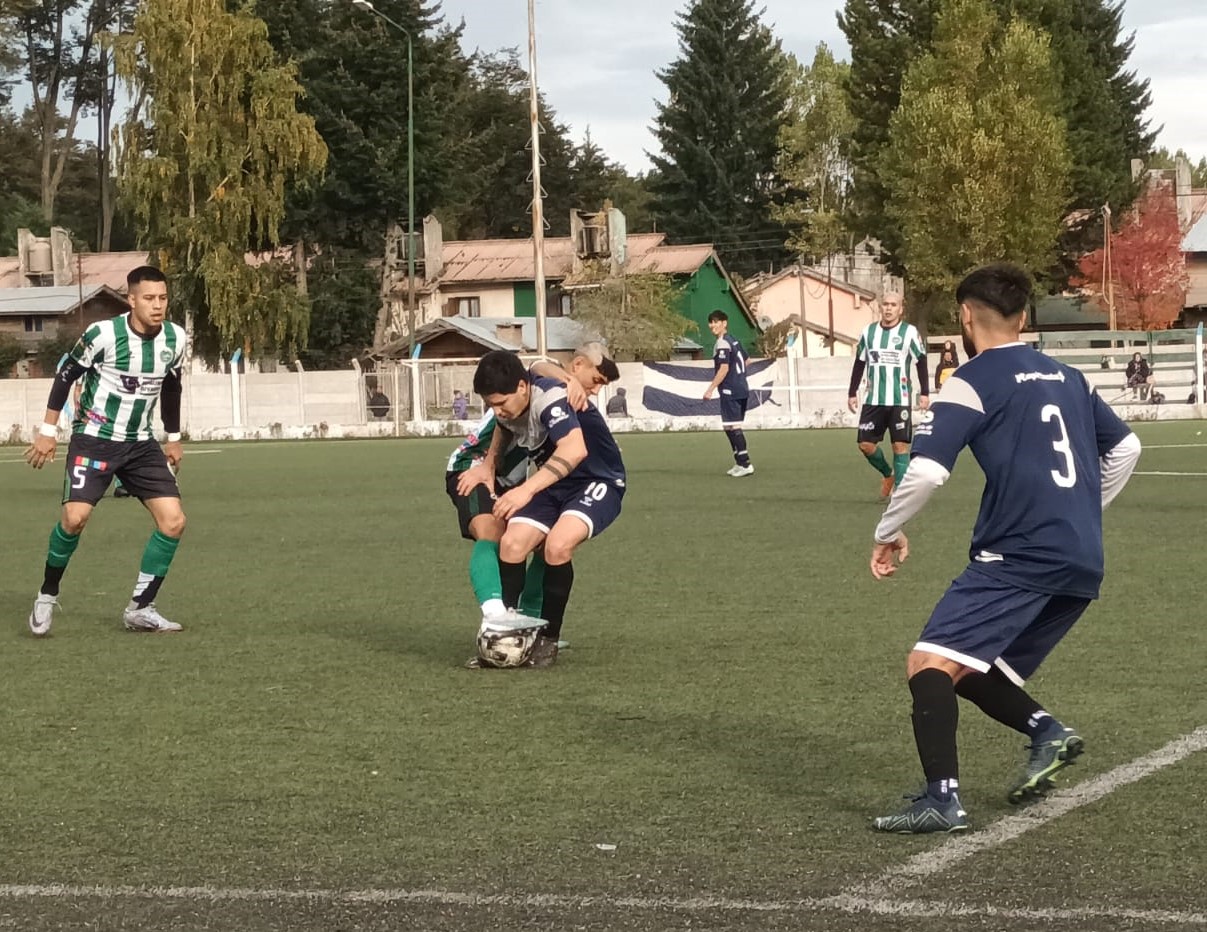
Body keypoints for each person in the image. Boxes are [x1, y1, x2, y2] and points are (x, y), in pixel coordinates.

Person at [867, 263, 1142, 834]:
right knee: (968, 666)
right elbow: (1127, 448)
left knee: (927, 663)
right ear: (1023, 317)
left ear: (965, 317)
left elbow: (924, 474)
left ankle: (942, 801)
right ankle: (1047, 732)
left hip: (1018, 555)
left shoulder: (972, 380)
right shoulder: (1070, 378)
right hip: (1081, 557)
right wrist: (1082, 516)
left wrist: (886, 531)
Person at [24, 265, 189, 635]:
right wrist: (48, 431)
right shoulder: (103, 334)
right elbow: (66, 374)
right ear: (131, 300)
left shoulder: (176, 339)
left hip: (141, 444)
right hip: (94, 438)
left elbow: (173, 386)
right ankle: (47, 594)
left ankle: (140, 608)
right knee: (74, 520)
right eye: (149, 298)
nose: (157, 305)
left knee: (174, 521)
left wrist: (174, 437)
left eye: (163, 298)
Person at [462, 343, 624, 667]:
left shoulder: (550, 398)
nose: (498, 411)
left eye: (501, 403)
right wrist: (489, 463)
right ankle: (506, 634)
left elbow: (575, 449)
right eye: (490, 405)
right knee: (511, 544)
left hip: (598, 481)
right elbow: (532, 373)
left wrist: (525, 491)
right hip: (555, 484)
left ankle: (547, 639)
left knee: (557, 546)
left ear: (522, 388)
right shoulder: (517, 399)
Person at [444, 360, 589, 633]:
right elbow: (537, 364)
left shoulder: (547, 395)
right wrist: (569, 380)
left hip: (514, 478)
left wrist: (568, 381)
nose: (597, 386)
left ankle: (529, 623)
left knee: (544, 541)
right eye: (596, 378)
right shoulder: (516, 395)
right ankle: (496, 617)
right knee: (491, 531)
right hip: (472, 467)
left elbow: (538, 365)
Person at [848, 292, 930, 500]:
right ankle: (888, 474)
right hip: (873, 398)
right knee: (865, 445)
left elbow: (921, 360)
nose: (889, 308)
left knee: (899, 445)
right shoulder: (868, 332)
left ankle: (900, 492)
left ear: (900, 309)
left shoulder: (909, 332)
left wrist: (925, 392)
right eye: (885, 304)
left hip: (899, 398)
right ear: (880, 307)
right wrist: (852, 392)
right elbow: (859, 362)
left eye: (893, 305)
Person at [702, 310, 754, 477]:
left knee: (734, 426)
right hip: (741, 388)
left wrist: (710, 389)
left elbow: (724, 368)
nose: (712, 325)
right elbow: (747, 360)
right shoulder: (735, 340)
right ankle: (739, 462)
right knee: (729, 426)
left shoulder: (723, 343)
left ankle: (745, 464)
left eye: (716, 322)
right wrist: (739, 377)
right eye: (710, 322)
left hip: (730, 389)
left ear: (725, 323)